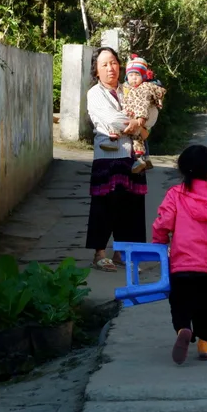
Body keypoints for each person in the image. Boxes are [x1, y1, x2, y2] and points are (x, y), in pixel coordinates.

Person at [152, 145, 207, 364]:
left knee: (179, 301)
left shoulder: (175, 195)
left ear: (181, 168)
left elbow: (163, 222)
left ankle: (183, 328)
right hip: (206, 264)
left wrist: (159, 244)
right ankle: (204, 345)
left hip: (180, 262)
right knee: (204, 303)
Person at [85, 47, 150, 272]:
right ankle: (100, 254)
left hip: (133, 156)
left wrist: (140, 124)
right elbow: (113, 119)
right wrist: (138, 126)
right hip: (108, 157)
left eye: (113, 62)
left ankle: (124, 253)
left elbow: (148, 112)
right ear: (96, 70)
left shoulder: (130, 90)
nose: (110, 68)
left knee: (132, 206)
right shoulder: (95, 93)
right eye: (104, 64)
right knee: (105, 205)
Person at [115, 55, 166, 174]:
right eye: (131, 75)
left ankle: (141, 158)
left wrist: (140, 117)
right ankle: (145, 158)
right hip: (135, 117)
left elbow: (145, 103)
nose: (134, 78)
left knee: (138, 135)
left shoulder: (145, 88)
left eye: (137, 75)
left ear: (143, 77)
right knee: (138, 136)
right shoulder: (126, 87)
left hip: (143, 118)